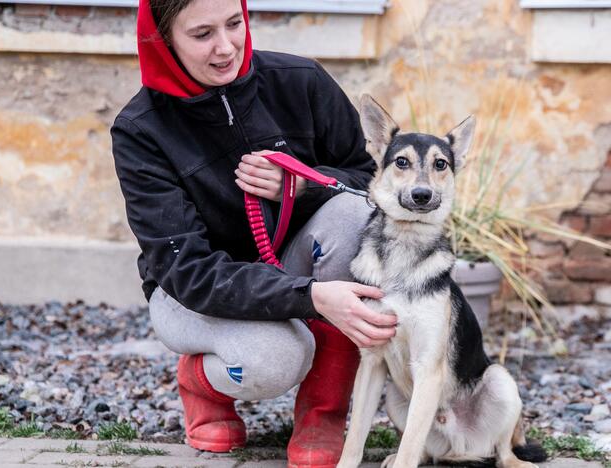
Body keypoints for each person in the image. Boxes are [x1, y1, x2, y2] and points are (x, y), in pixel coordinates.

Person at [110, 0, 398, 466]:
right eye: (202, 34)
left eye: (234, 24)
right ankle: (200, 382)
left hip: (294, 265)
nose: (226, 48)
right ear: (164, 41)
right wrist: (313, 297)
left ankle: (322, 416)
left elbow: (371, 183)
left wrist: (303, 186)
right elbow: (188, 271)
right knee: (276, 359)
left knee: (355, 217)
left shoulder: (301, 81)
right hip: (192, 294)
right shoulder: (141, 131)